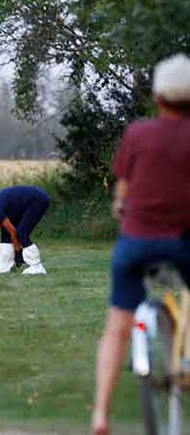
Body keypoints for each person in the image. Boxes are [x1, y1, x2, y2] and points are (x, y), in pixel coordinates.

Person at [91, 53, 190, 435]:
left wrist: (121, 207)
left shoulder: (138, 134)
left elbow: (122, 191)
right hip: (183, 243)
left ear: (159, 96)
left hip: (136, 242)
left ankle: (100, 413)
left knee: (117, 325)